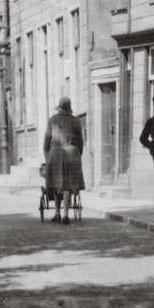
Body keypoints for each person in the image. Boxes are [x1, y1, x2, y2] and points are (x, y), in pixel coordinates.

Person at [43, 96, 85, 224]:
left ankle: (57, 213)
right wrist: (77, 155)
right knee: (68, 184)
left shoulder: (52, 120)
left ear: (59, 108)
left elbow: (46, 142)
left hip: (55, 154)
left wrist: (47, 157)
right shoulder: (76, 121)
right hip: (72, 153)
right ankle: (66, 215)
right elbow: (81, 143)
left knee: (56, 184)